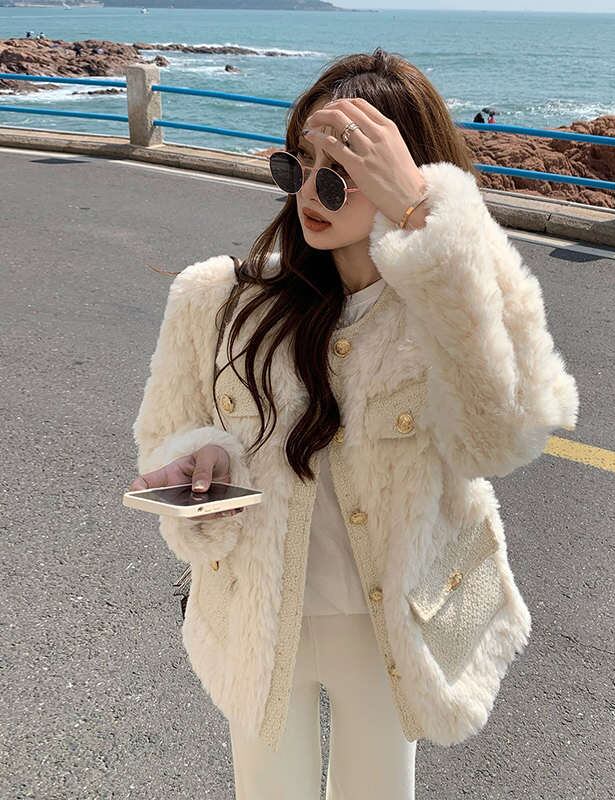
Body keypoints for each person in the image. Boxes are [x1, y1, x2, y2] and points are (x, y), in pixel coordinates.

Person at [128, 47, 578, 800]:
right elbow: (164, 436)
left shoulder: (445, 310)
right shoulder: (218, 301)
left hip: (395, 623)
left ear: (401, 177)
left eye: (340, 174)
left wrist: (429, 217)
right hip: (258, 615)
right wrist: (201, 459)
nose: (311, 191)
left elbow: (507, 433)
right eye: (299, 164)